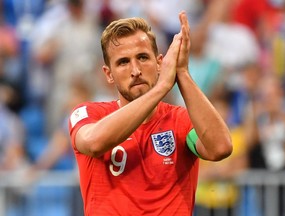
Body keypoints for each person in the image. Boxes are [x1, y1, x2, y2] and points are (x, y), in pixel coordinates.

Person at [69, 11, 232, 215]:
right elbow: (93, 143)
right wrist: (161, 87)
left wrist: (182, 72)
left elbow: (221, 148)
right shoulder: (88, 114)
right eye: (123, 62)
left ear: (159, 63)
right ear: (108, 74)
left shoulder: (180, 120)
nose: (135, 69)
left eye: (143, 57)